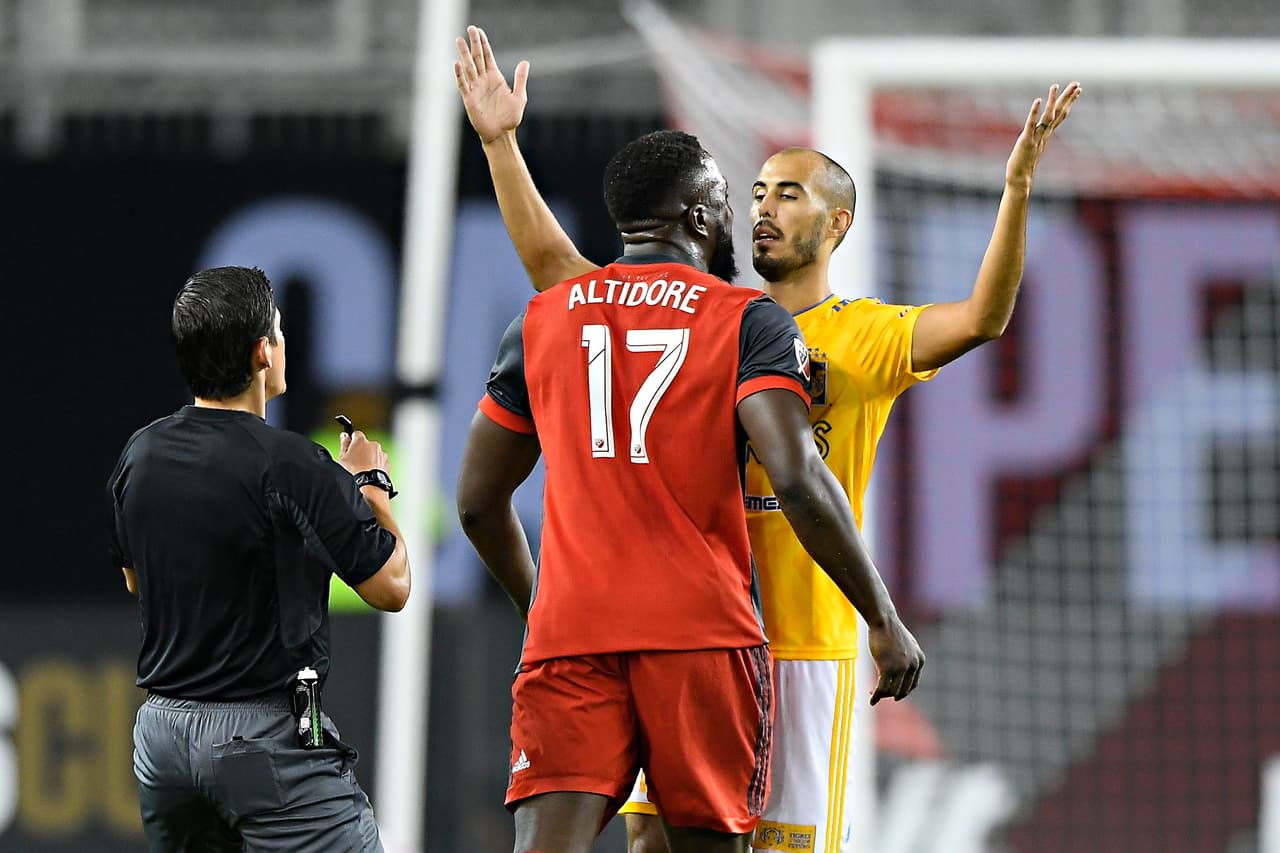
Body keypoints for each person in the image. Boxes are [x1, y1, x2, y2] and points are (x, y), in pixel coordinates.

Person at [453, 25, 1081, 853]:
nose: (763, 208)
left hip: (800, 639)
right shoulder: (725, 321)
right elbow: (560, 269)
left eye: (789, 194)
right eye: (754, 192)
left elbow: (983, 318)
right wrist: (501, 144)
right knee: (655, 844)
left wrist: (1017, 189)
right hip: (701, 636)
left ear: (840, 222)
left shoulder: (863, 334)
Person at [454, 114, 924, 851]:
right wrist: (882, 616)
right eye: (730, 200)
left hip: (571, 636)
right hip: (700, 638)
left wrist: (537, 607)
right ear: (701, 216)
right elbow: (799, 478)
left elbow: (478, 503)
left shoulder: (542, 320)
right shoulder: (747, 320)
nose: (743, 214)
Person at [106, 265, 411, 852]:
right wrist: (371, 490)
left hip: (163, 740)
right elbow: (391, 586)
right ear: (262, 353)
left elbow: (135, 581)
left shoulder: (138, 455)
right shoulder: (294, 464)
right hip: (261, 738)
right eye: (278, 330)